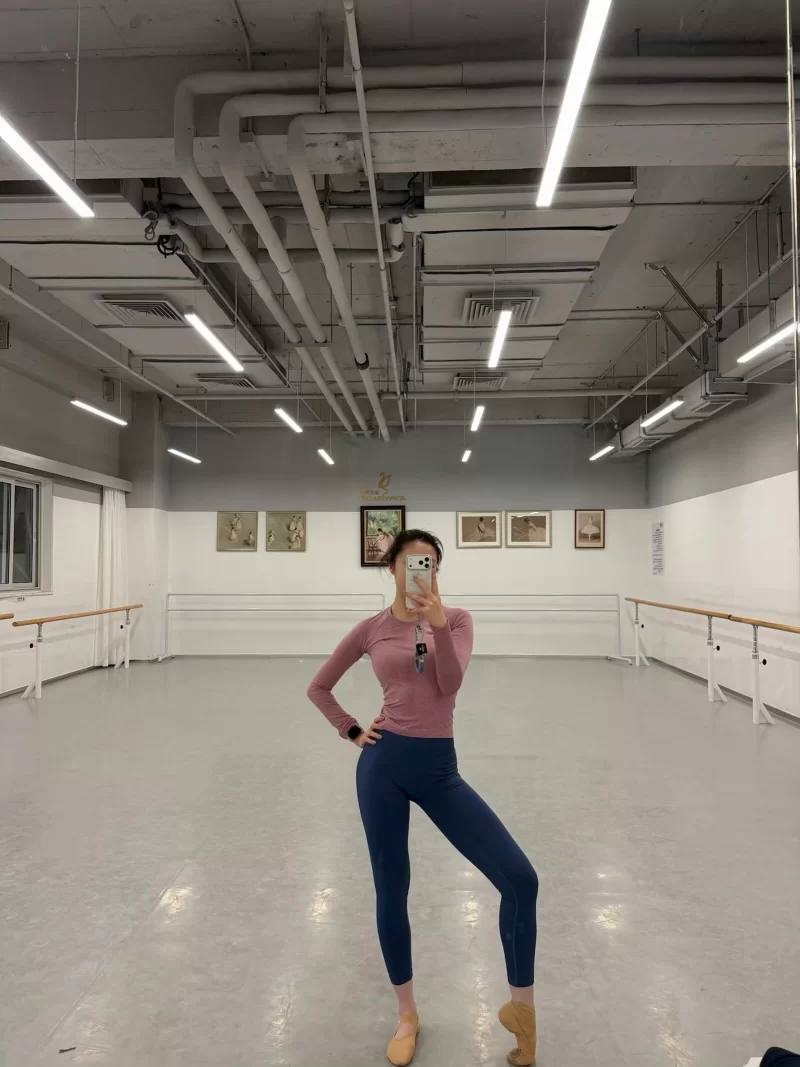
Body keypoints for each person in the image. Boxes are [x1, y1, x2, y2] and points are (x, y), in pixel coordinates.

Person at [307, 529, 539, 1066]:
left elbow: (449, 684)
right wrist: (351, 729)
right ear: (391, 568)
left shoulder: (455, 621)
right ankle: (407, 1013)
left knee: (520, 880)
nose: (422, 572)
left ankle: (523, 1014)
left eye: (430, 563)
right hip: (383, 768)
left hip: (439, 771)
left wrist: (434, 624)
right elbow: (319, 686)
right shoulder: (371, 629)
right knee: (392, 889)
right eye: (412, 563)